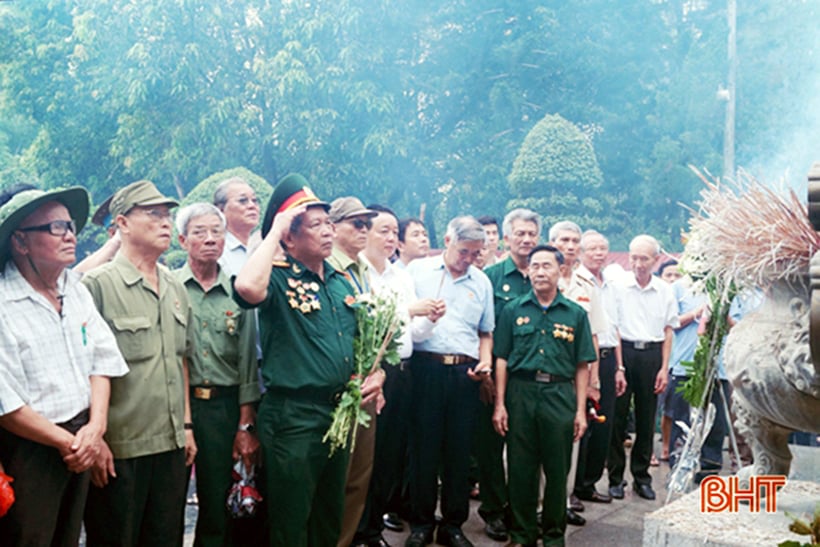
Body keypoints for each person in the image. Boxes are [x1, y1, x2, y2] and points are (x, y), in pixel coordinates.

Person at [233, 173, 359, 546]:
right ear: (291, 236)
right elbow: (246, 288)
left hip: (337, 413)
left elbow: (359, 339)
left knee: (327, 514)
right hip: (294, 416)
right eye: (315, 224)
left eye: (329, 223)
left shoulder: (340, 280)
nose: (327, 232)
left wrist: (373, 376)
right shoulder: (276, 278)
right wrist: (274, 233)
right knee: (291, 521)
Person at [0, 186, 128, 545]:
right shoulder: (4, 303)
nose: (70, 234)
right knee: (28, 537)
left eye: (70, 225)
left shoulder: (73, 287)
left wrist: (96, 427)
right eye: (56, 227)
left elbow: (102, 360)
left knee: (68, 537)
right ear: (21, 242)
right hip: (30, 449)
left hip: (80, 437)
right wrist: (71, 443)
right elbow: (7, 406)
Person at [82, 180, 197, 546]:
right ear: (122, 224)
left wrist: (187, 424)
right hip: (120, 447)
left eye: (168, 215)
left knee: (165, 538)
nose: (165, 222)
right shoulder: (97, 285)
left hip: (170, 445)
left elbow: (180, 360)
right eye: (153, 214)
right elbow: (83, 369)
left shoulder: (175, 286)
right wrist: (94, 437)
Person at [492, 245, 596, 547]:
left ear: (560, 270)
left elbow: (582, 365)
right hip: (520, 394)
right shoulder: (514, 310)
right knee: (521, 470)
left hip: (559, 395)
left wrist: (579, 410)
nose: (539, 271)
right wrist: (500, 404)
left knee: (557, 471)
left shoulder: (575, 313)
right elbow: (501, 358)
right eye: (534, 266)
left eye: (546, 266)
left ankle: (553, 537)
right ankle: (522, 534)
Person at [353, 204, 444, 547]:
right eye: (384, 231)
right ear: (365, 232)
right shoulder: (357, 273)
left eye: (394, 232)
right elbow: (368, 319)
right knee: (367, 459)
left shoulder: (400, 275)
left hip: (404, 372)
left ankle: (373, 528)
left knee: (391, 456)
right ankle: (359, 529)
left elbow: (414, 334)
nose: (391, 238)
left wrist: (429, 317)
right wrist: (409, 310)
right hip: (374, 371)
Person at [175, 203, 261, 546]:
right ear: (182, 240)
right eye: (199, 232)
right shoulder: (170, 287)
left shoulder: (239, 293)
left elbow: (246, 365)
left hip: (222, 410)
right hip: (176, 405)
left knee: (216, 504)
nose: (210, 239)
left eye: (217, 232)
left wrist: (245, 425)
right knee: (167, 502)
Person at [405, 216, 493, 547]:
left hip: (465, 374)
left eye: (475, 253)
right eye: (464, 251)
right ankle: (421, 522)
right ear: (447, 240)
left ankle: (454, 524)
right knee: (424, 446)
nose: (468, 258)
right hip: (425, 367)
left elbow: (485, 332)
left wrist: (485, 360)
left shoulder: (481, 282)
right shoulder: (418, 272)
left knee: (459, 450)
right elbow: (401, 314)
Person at [476, 208, 540, 542]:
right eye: (520, 234)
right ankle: (493, 510)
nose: (527, 239)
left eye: (532, 234)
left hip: (532, 380)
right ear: (506, 238)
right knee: (491, 447)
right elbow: (482, 328)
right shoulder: (492, 276)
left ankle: (522, 509)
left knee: (526, 448)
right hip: (498, 374)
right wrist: (485, 374)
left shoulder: (545, 274)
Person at [326, 196, 385, 547]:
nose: (364, 230)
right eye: (356, 224)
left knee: (358, 479)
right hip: (337, 391)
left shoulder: (363, 270)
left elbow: (374, 332)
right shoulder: (326, 269)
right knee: (334, 480)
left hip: (366, 390)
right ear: (333, 227)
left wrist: (380, 376)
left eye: (367, 224)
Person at [608, 235, 678, 501]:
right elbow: (613, 328)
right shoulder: (617, 286)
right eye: (634, 257)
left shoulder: (664, 290)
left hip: (652, 354)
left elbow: (668, 331)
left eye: (644, 258)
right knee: (618, 418)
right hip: (623, 351)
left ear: (656, 260)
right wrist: (619, 367)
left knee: (647, 420)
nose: (638, 264)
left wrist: (664, 368)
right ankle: (615, 478)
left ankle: (641, 477)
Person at [548, 221, 608, 524]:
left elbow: (594, 336)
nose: (569, 247)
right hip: (542, 373)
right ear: (552, 243)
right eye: (563, 240)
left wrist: (594, 381)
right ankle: (532, 506)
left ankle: (561, 504)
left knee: (571, 440)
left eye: (574, 241)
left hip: (576, 376)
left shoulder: (587, 285)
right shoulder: (542, 276)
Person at [572, 230, 627, 504]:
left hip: (608, 358)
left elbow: (615, 327)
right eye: (592, 248)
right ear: (582, 252)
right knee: (583, 422)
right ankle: (574, 485)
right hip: (585, 360)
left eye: (603, 248)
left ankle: (590, 483)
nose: (598, 253)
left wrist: (620, 367)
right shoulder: (577, 280)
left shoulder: (612, 284)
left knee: (605, 425)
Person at [214, 176, 261, 276]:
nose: (252, 206)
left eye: (254, 200)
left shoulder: (265, 246)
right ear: (221, 209)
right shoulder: (217, 252)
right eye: (242, 201)